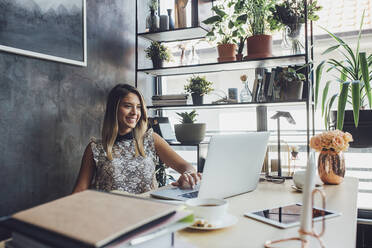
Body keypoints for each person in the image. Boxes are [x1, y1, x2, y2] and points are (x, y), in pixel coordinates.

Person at [73, 84, 202, 194]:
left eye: (139, 107)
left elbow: (186, 166)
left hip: (148, 212)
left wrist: (188, 175)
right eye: (128, 106)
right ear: (114, 109)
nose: (135, 112)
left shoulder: (151, 139)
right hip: (111, 216)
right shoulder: (95, 148)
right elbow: (79, 192)